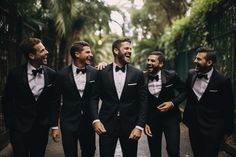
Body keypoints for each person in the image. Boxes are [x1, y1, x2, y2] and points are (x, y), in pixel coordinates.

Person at [90, 38, 147, 157]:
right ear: (116, 50)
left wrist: (139, 126)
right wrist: (96, 120)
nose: (130, 51)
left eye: (131, 49)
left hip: (130, 126)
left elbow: (143, 101)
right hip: (106, 125)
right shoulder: (101, 72)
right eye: (126, 48)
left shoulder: (138, 74)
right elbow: (93, 98)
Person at [2, 37, 59, 157]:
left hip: (41, 128)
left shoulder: (52, 74)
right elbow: (7, 100)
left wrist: (53, 125)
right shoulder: (15, 74)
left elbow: (54, 101)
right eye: (42, 51)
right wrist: (10, 125)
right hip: (18, 128)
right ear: (32, 56)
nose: (47, 52)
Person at [183, 46, 234, 157]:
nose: (195, 61)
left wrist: (227, 131)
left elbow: (228, 107)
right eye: (196, 58)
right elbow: (185, 93)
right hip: (194, 126)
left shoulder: (222, 81)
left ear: (209, 62)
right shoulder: (191, 74)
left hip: (213, 129)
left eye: (199, 59)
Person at [55, 41, 96, 157]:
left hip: (88, 122)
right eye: (87, 52)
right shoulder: (61, 75)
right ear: (77, 54)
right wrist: (54, 126)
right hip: (68, 121)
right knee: (70, 153)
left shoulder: (95, 73)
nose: (91, 54)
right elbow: (55, 101)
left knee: (89, 152)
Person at [144, 51, 186, 157]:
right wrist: (145, 122)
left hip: (171, 119)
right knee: (154, 153)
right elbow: (141, 102)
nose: (149, 62)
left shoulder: (171, 76)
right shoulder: (141, 78)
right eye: (148, 60)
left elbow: (185, 91)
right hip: (152, 120)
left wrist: (172, 103)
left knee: (173, 151)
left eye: (152, 60)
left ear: (161, 64)